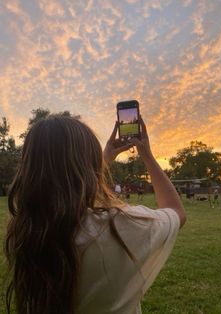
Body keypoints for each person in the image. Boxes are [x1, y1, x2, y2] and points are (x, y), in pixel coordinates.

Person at [4, 115, 186, 314]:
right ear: (89, 165)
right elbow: (176, 211)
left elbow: (72, 193)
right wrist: (147, 155)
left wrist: (104, 158)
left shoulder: (26, 232)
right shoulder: (120, 227)